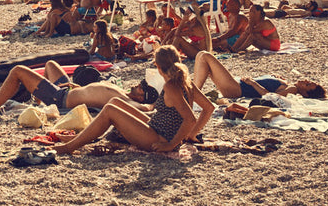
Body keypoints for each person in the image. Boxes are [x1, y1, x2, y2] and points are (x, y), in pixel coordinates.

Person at [55, 45, 214, 154]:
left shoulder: (171, 86)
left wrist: (171, 144)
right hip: (157, 126)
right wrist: (191, 135)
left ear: (158, 66)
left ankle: (70, 147)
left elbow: (190, 119)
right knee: (115, 103)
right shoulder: (186, 81)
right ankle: (80, 137)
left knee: (110, 111)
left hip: (158, 137)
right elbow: (209, 108)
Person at [0, 60, 159, 115]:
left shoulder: (128, 102)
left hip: (61, 99)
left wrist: (157, 104)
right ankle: (39, 100)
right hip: (68, 89)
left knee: (18, 70)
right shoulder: (122, 91)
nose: (138, 84)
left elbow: (147, 109)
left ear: (142, 97)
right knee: (50, 65)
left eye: (142, 87)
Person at [192, 51, 326, 99]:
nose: (305, 80)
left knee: (205, 56)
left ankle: (192, 94)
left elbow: (270, 97)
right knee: (201, 56)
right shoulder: (289, 85)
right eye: (309, 80)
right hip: (236, 85)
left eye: (307, 84)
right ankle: (191, 91)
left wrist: (253, 83)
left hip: (237, 89)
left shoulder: (294, 90)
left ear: (306, 93)